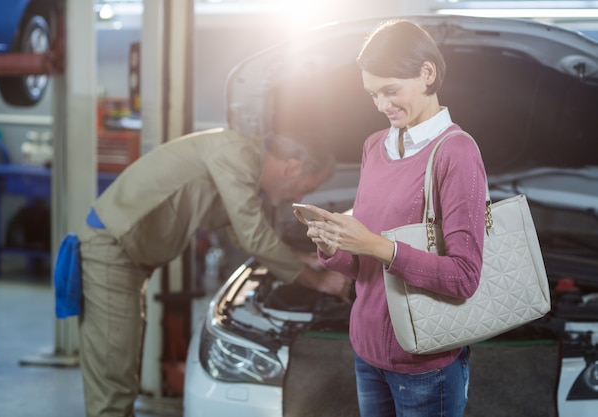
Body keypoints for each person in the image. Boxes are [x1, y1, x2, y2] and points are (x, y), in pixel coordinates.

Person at [77, 127, 351, 417]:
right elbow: (252, 237)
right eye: (305, 188)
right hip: (112, 250)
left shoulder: (243, 162)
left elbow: (239, 232)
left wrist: (308, 260)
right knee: (113, 373)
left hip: (126, 256)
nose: (296, 196)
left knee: (122, 361)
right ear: (293, 167)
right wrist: (320, 283)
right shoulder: (236, 155)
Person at [294, 20, 487, 417]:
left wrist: (377, 246)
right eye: (372, 95)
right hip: (367, 352)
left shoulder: (457, 153)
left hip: (424, 365)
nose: (382, 105)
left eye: (391, 91)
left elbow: (464, 277)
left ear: (427, 73)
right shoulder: (373, 146)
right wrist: (333, 246)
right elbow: (362, 267)